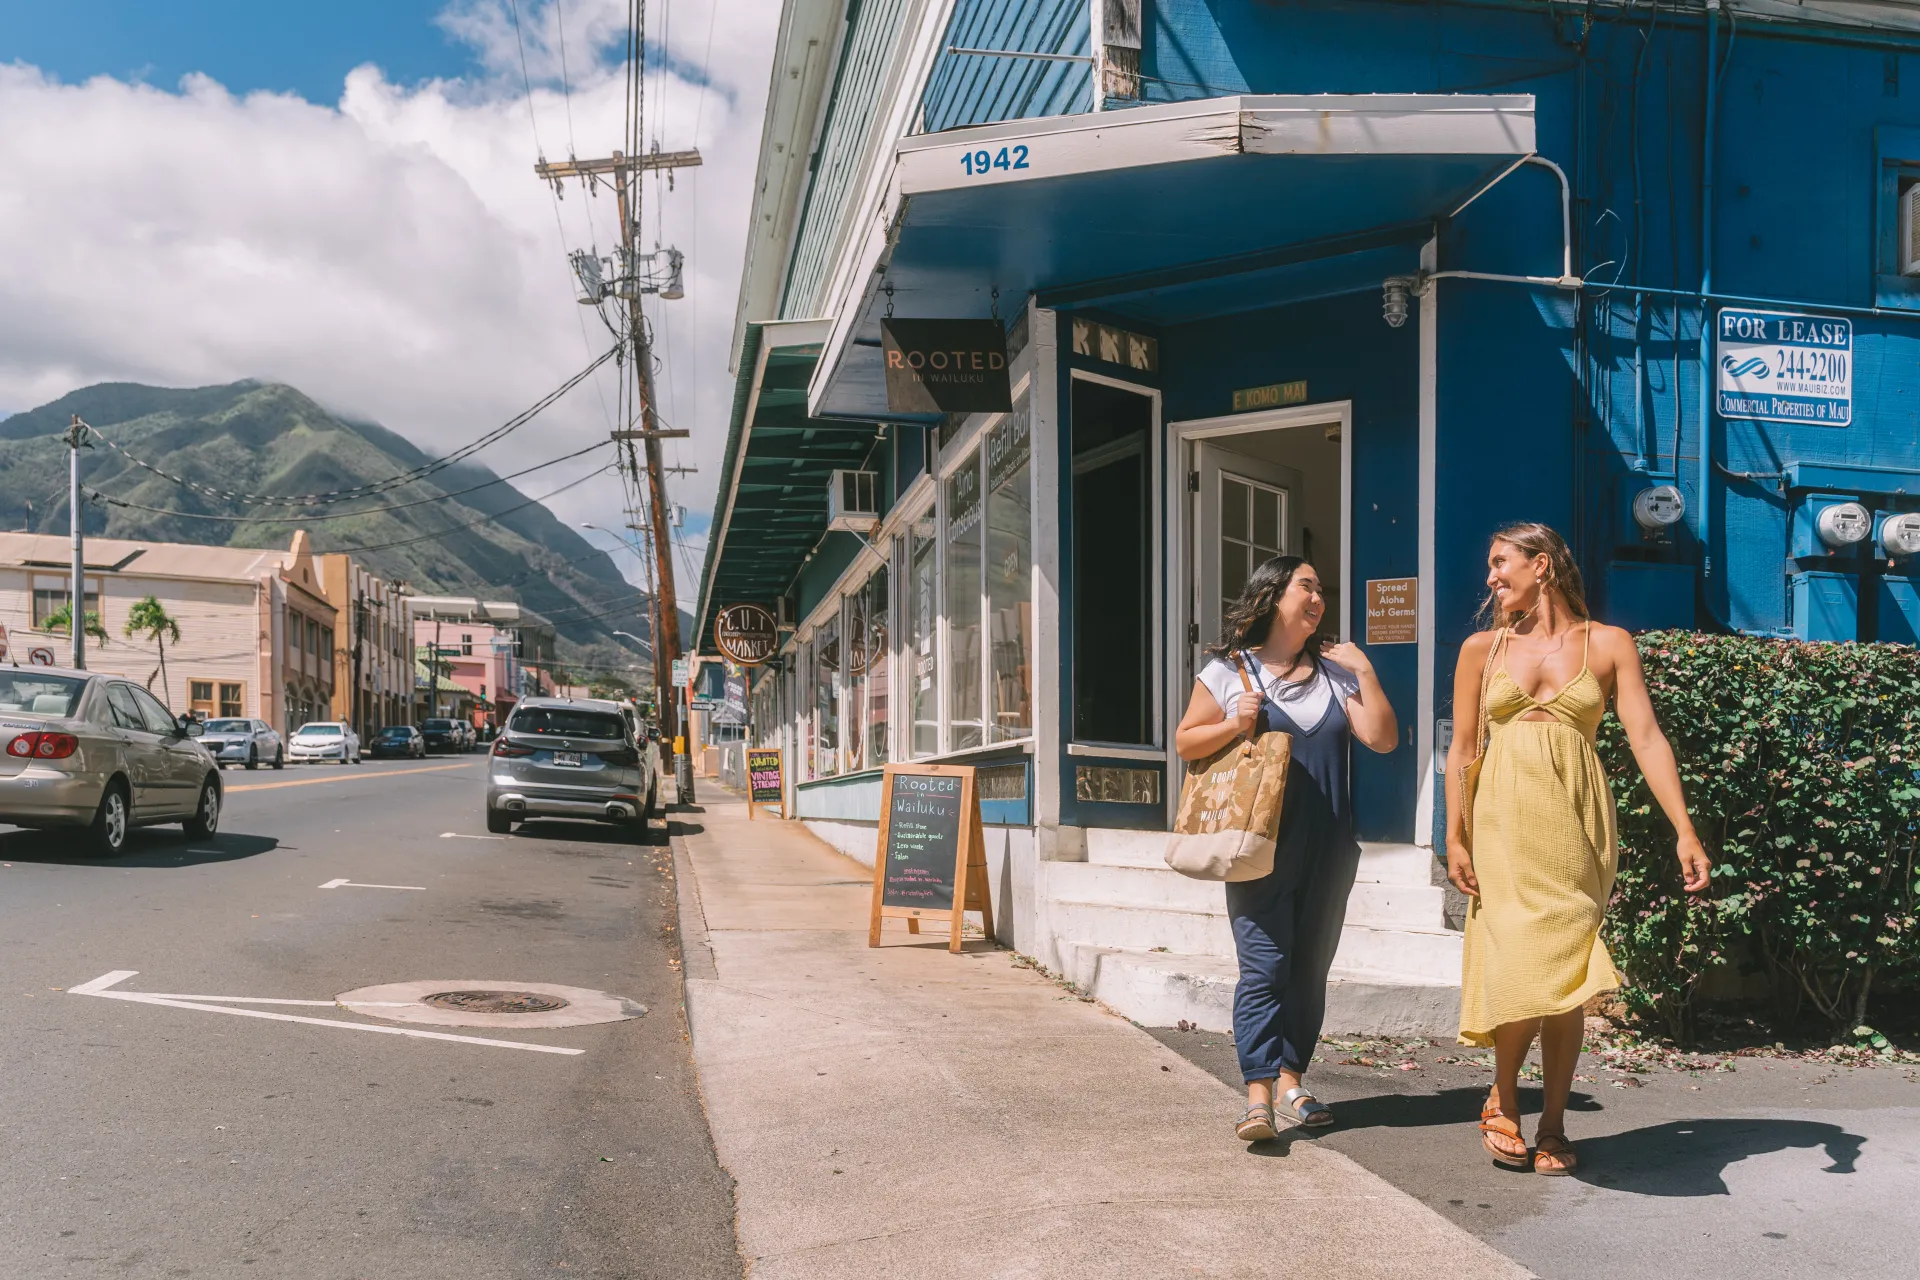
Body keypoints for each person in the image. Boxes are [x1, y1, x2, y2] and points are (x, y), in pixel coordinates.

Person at [1444, 523, 1710, 1175]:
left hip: (1574, 828)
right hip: (1502, 821)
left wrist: (1684, 828)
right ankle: (1504, 1099)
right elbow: (1463, 749)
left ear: (1542, 565)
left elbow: (1646, 738)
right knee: (1518, 962)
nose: (1490, 577)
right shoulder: (1483, 649)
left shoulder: (1609, 645)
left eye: (1500, 562)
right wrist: (1454, 833)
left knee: (1563, 975)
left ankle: (1556, 1126)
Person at [1175, 556, 1398, 1142]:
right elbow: (1184, 741)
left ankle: (1292, 1079)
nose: (1318, 596)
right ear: (1273, 597)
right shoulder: (1229, 672)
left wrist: (1366, 672)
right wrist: (1232, 723)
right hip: (1259, 845)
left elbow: (1382, 738)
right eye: (1307, 586)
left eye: (1321, 589)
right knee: (1264, 968)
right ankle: (1257, 1097)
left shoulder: (1334, 674)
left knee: (1308, 972)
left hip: (1329, 845)